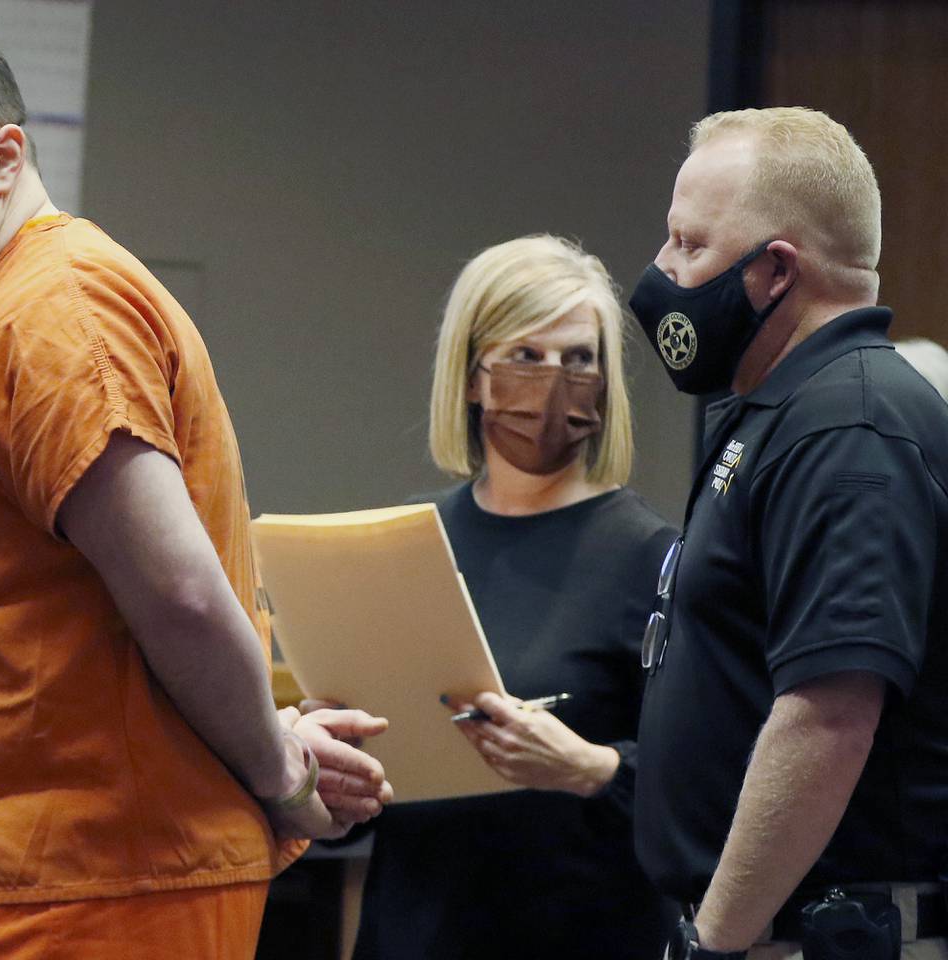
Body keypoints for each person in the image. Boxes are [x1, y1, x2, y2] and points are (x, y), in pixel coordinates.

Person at [0, 28, 393, 959]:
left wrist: (283, 778)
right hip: (49, 880)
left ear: (2, 159)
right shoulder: (12, 314)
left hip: (91, 891)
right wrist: (272, 739)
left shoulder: (56, 314)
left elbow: (179, 593)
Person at [628, 107, 948, 960]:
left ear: (774, 271)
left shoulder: (850, 427)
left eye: (689, 245)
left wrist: (717, 939)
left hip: (815, 936)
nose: (660, 273)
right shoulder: (784, 413)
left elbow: (829, 714)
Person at [343, 235, 678, 959]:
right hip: (415, 931)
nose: (554, 382)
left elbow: (707, 783)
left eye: (579, 359)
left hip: (579, 934)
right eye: (527, 356)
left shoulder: (653, 556)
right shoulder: (409, 541)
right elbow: (367, 798)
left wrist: (591, 769)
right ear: (472, 377)